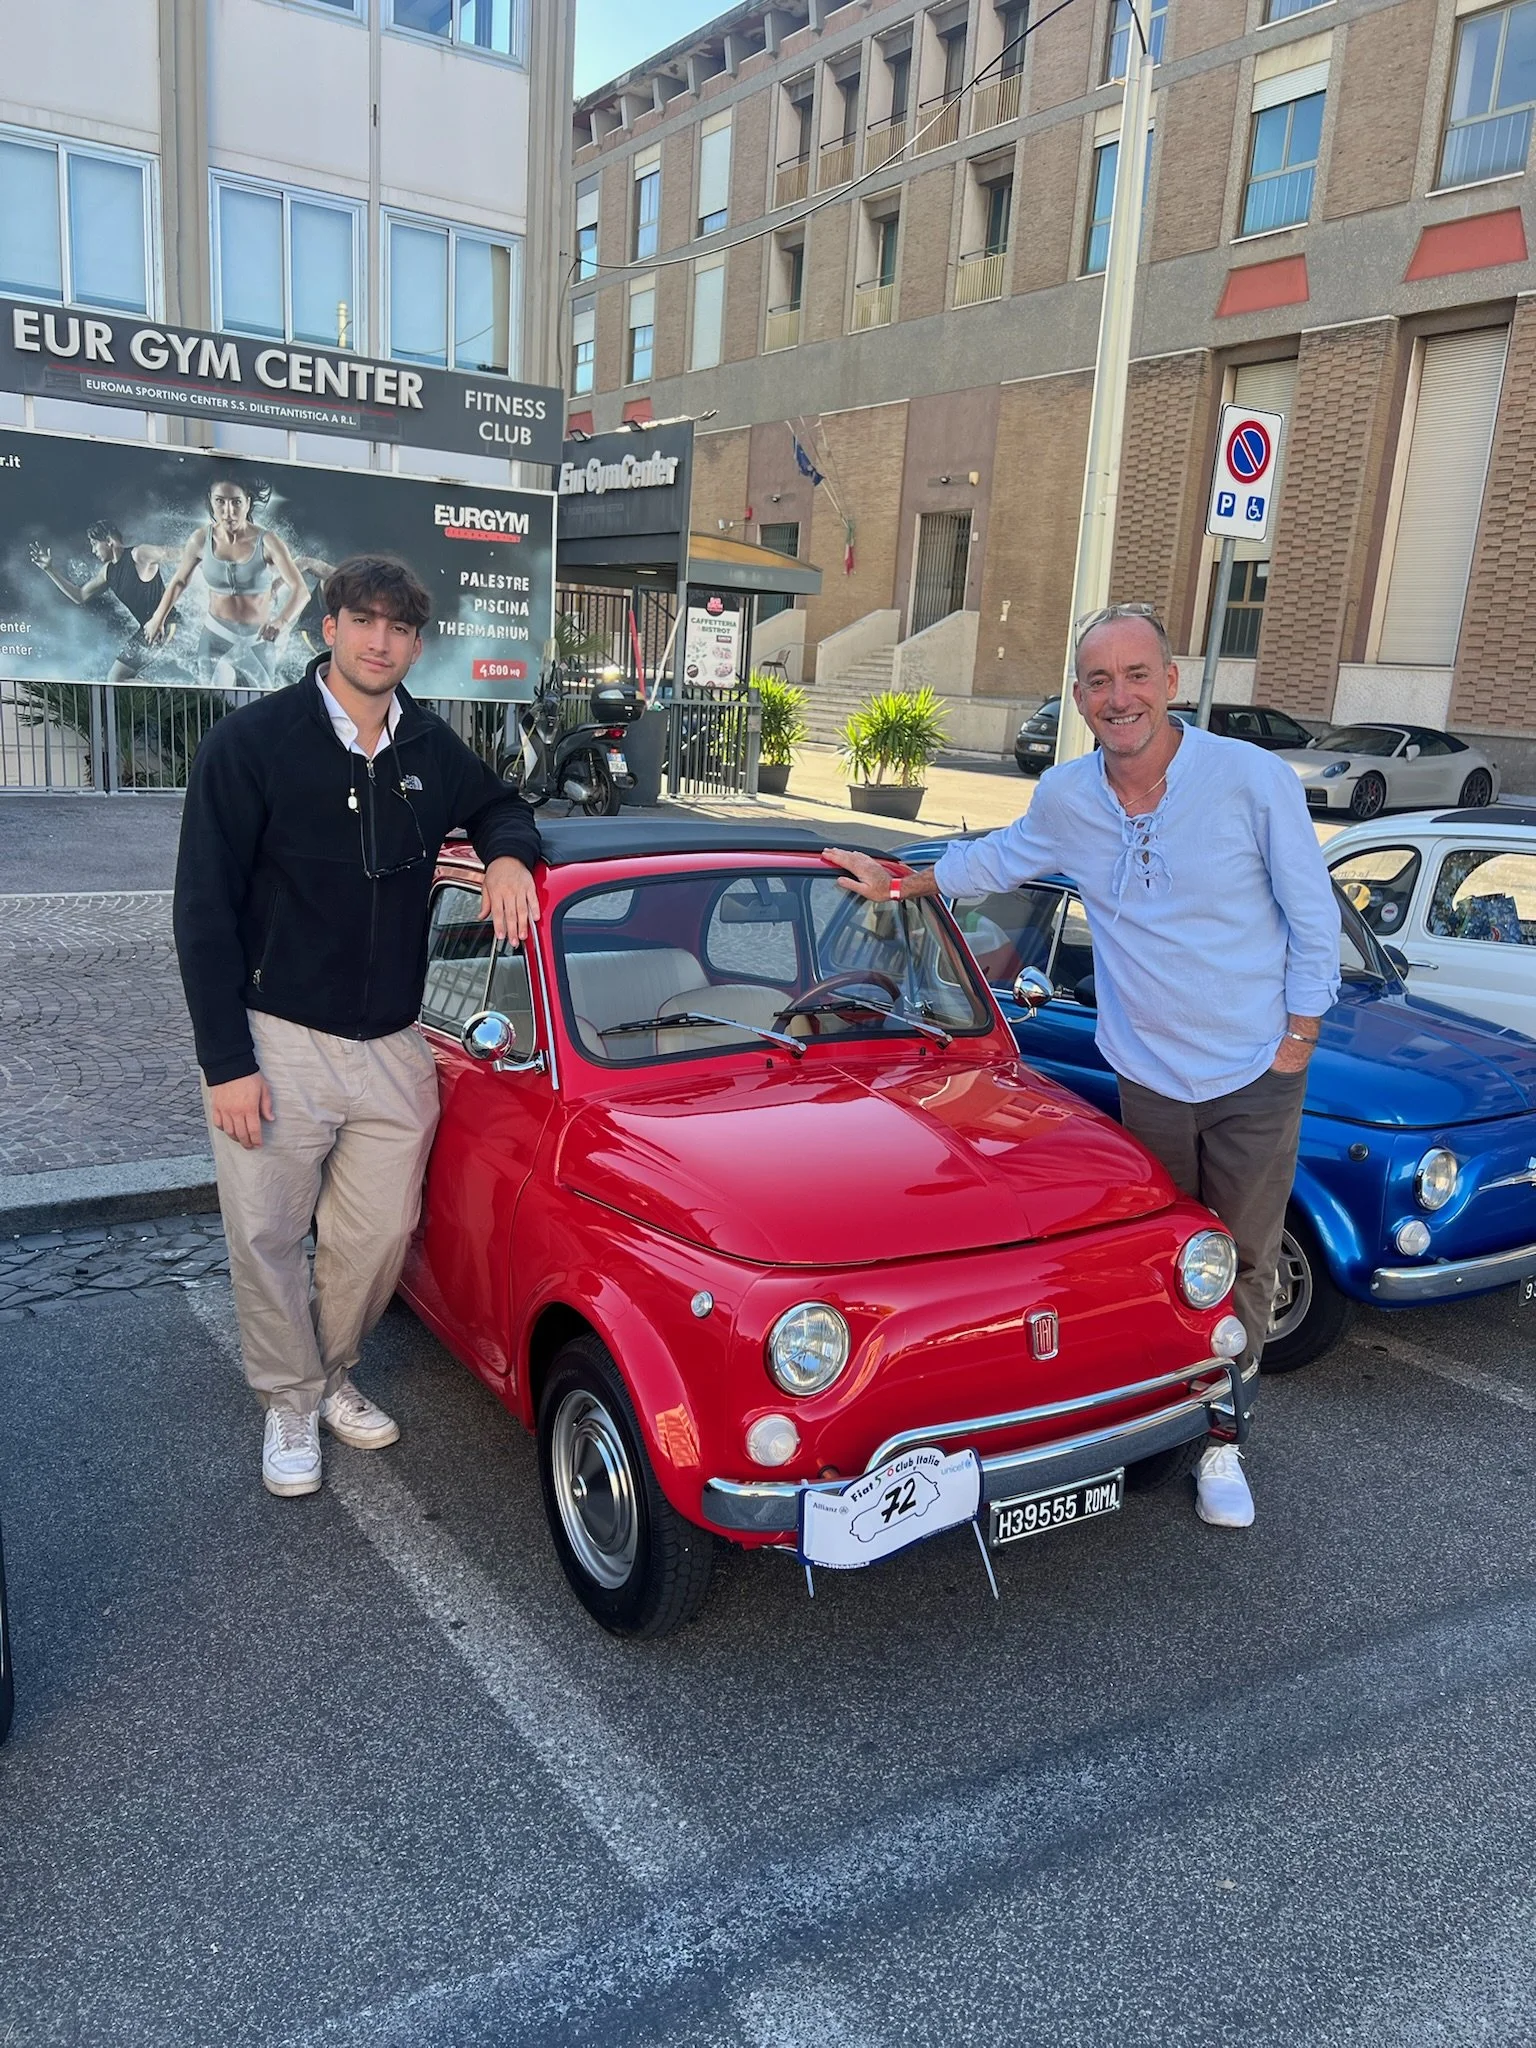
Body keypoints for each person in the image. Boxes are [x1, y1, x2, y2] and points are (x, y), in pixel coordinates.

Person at [825, 602, 1340, 1530]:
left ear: (1170, 682)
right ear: (1078, 697)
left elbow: (1313, 917)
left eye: (1137, 675)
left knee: (1242, 1256)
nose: (1119, 697)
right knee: (1152, 1260)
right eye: (1099, 681)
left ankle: (1223, 1439)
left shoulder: (1250, 779)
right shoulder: (1069, 796)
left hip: (1254, 1069)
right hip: (1148, 1071)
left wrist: (1297, 1039)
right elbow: (999, 859)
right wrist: (902, 880)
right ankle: (1149, 1416)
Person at [173, 553, 541, 1499]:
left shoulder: (430, 745)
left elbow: (501, 803)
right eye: (365, 621)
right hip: (277, 1039)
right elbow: (203, 912)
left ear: (416, 646)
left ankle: (330, 1372)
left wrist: (507, 857)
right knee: (266, 1235)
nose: (382, 641)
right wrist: (226, 1062)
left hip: (392, 1045)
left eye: (400, 627)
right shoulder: (252, 743)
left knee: (378, 1236)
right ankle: (291, 1401)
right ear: (328, 627)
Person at [144, 476, 308, 690]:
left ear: (247, 502)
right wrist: (158, 617)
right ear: (211, 501)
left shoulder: (268, 542)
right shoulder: (200, 539)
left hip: (258, 639)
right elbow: (179, 581)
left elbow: (301, 590)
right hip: (216, 635)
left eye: (236, 502)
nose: (228, 511)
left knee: (262, 704)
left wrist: (280, 622)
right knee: (211, 703)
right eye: (220, 501)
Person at [28, 523, 183, 681]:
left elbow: (181, 554)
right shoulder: (107, 572)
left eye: (94, 544)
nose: (92, 550)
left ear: (109, 541)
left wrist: (199, 555)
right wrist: (50, 570)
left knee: (116, 679)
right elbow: (80, 596)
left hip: (165, 624)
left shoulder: (139, 554)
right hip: (146, 629)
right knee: (115, 679)